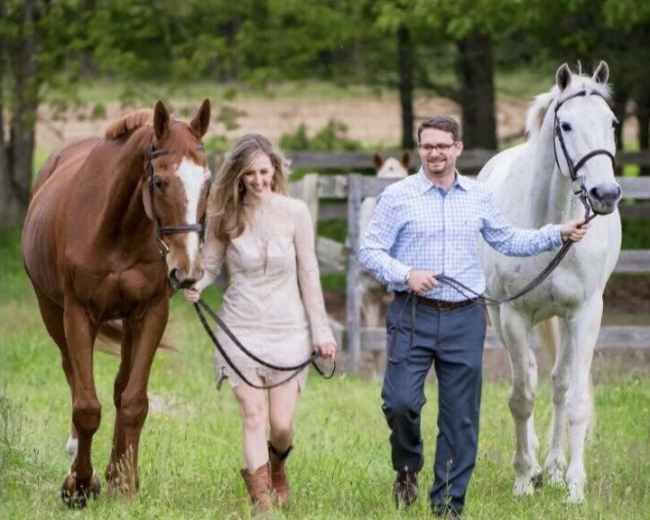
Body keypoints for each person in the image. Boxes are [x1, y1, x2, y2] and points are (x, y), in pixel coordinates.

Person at [358, 116, 588, 517]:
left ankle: (447, 504)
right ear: (420, 149)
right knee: (399, 404)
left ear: (458, 149)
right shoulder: (398, 197)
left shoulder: (479, 196)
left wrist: (557, 233)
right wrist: (405, 274)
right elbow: (370, 251)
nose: (435, 153)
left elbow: (508, 239)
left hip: (465, 318)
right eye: (428, 146)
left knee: (460, 418)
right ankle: (407, 467)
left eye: (443, 146)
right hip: (412, 314)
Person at [184, 133, 336, 513]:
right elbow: (212, 264)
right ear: (238, 175)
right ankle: (261, 502)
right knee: (253, 416)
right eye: (249, 173)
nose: (257, 180)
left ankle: (277, 467)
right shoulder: (224, 216)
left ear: (275, 170)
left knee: (281, 425)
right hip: (240, 326)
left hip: (289, 329)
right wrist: (198, 285)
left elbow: (309, 273)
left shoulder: (296, 212)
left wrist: (322, 332)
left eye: (264, 171)